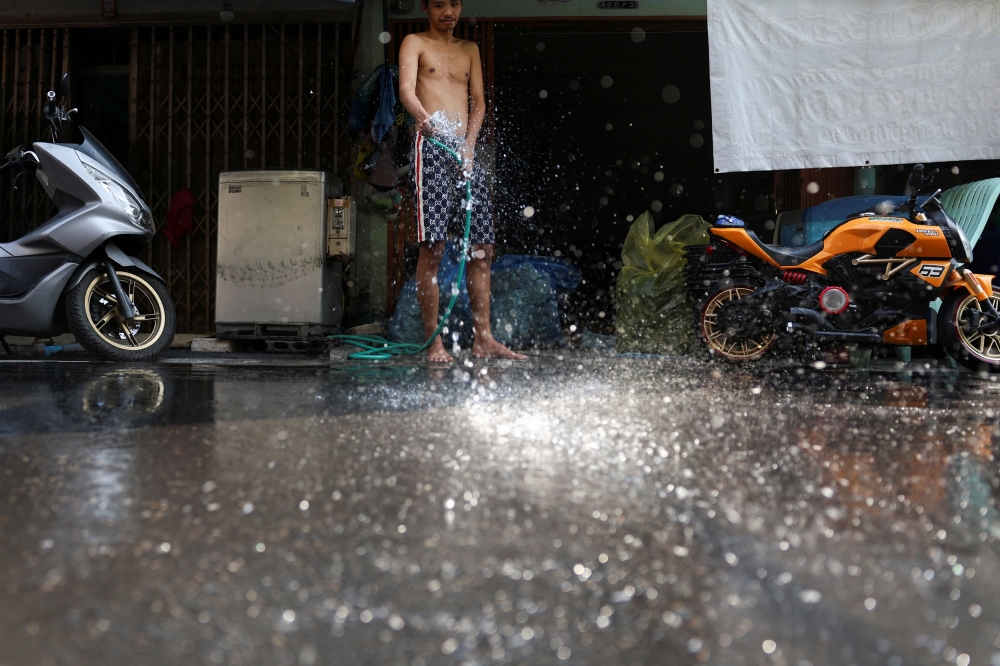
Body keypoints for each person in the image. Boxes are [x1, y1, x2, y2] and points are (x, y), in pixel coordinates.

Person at [399, 0, 526, 363]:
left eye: (454, 3)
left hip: (464, 150)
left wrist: (470, 146)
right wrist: (422, 118)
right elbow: (407, 89)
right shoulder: (414, 42)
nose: (448, 11)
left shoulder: (470, 49)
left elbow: (480, 103)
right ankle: (433, 343)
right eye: (439, 4)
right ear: (425, 7)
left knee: (483, 249)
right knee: (434, 248)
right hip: (432, 145)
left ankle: (483, 338)